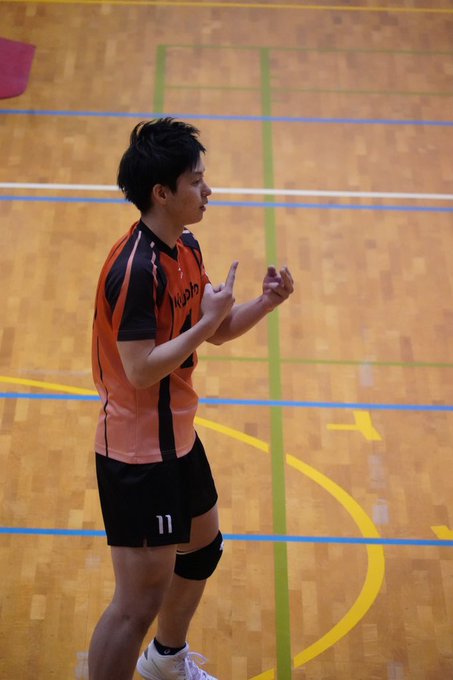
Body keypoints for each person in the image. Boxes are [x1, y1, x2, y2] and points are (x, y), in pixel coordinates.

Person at [89, 117, 294, 680]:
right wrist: (206, 324)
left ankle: (166, 662)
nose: (209, 191)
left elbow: (216, 330)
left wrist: (264, 303)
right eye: (197, 182)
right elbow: (139, 371)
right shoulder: (136, 269)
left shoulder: (185, 247)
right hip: (137, 455)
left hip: (178, 438)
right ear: (162, 192)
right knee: (135, 606)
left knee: (202, 550)